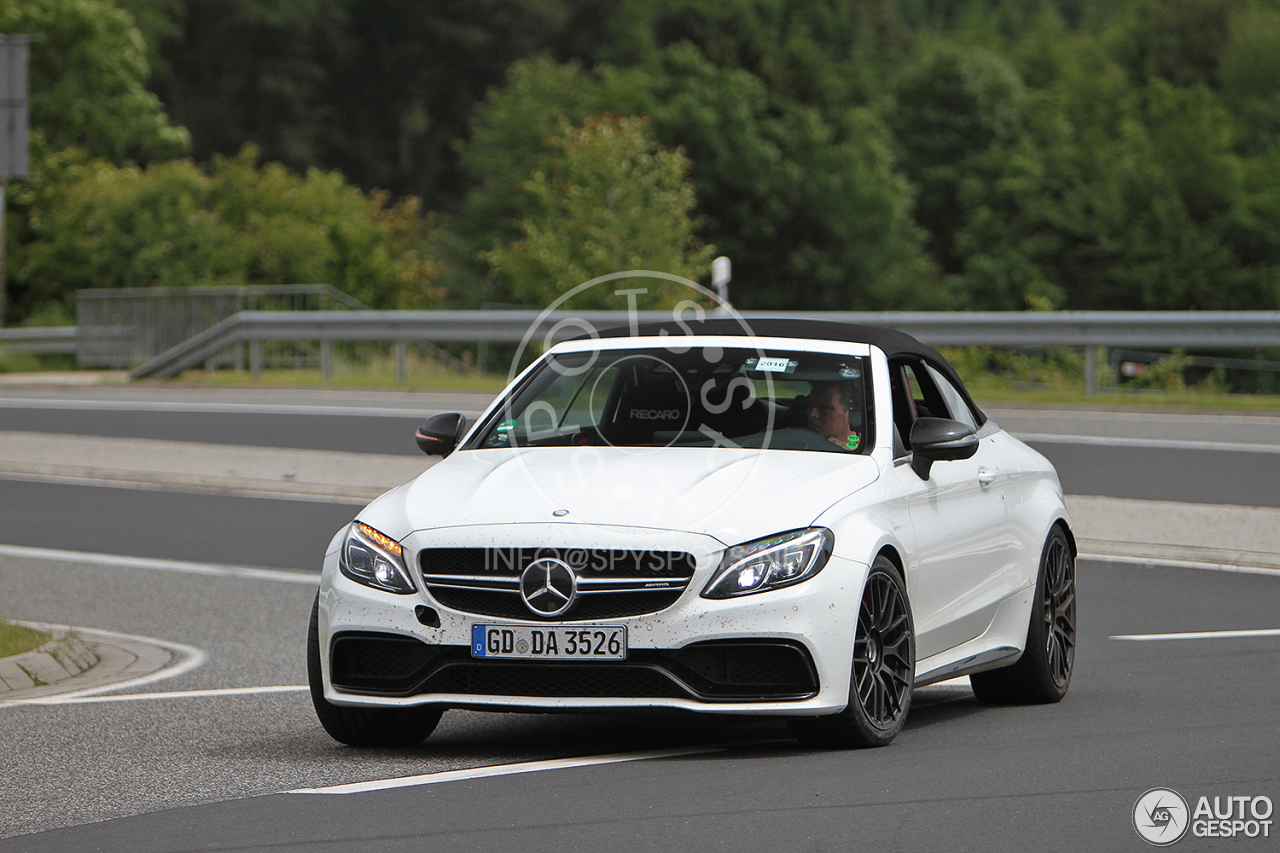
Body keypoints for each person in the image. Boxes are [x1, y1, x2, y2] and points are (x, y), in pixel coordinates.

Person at [806, 380, 861, 450]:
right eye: (810, 406)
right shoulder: (798, 445)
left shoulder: (872, 448)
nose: (812, 414)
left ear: (849, 413)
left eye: (825, 408)